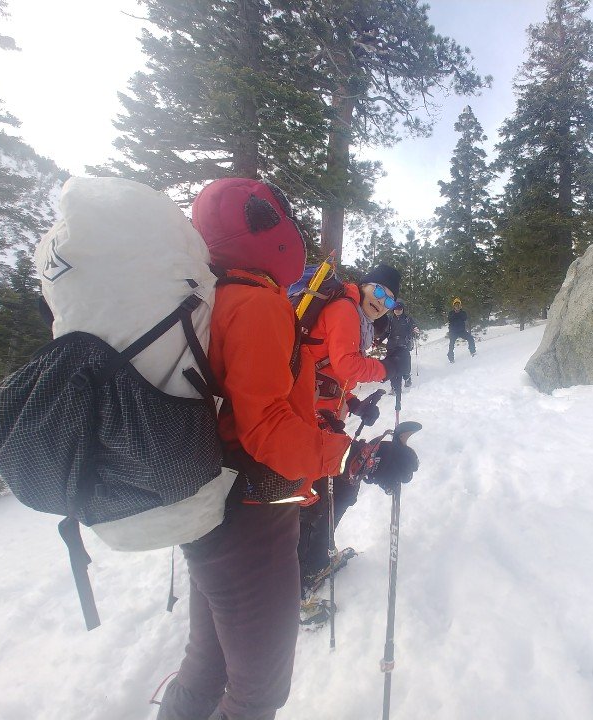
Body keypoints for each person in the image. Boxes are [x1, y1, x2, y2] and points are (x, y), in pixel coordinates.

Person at [157, 179, 417, 720]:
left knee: (205, 668)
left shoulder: (218, 294)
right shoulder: (254, 303)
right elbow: (268, 429)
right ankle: (309, 561)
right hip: (251, 517)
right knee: (256, 695)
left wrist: (354, 418)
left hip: (213, 505)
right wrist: (357, 456)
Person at [297, 263, 412, 596]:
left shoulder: (355, 317)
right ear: (364, 286)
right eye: (378, 291)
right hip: (305, 413)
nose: (382, 302)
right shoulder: (345, 310)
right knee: (325, 490)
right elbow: (347, 364)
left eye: (390, 300)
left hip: (315, 409)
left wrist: (354, 403)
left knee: (330, 489)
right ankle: (305, 568)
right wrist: (387, 368)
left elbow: (330, 371)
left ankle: (311, 561)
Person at [385, 300, 420, 389]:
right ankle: (394, 387)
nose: (397, 310)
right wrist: (378, 338)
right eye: (396, 308)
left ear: (403, 309)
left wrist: (415, 329)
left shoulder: (408, 319)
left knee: (405, 363)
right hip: (392, 345)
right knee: (391, 365)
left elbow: (413, 326)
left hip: (404, 344)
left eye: (400, 308)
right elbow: (384, 331)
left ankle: (407, 377)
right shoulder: (390, 318)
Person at [447, 296, 476, 363]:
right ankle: (451, 359)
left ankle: (473, 352)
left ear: (460, 305)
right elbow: (450, 319)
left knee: (470, 338)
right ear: (453, 306)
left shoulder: (463, 312)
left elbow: (464, 318)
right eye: (455, 305)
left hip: (461, 331)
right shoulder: (451, 313)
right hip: (453, 332)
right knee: (451, 345)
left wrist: (459, 312)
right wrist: (455, 313)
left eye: (458, 305)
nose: (457, 306)